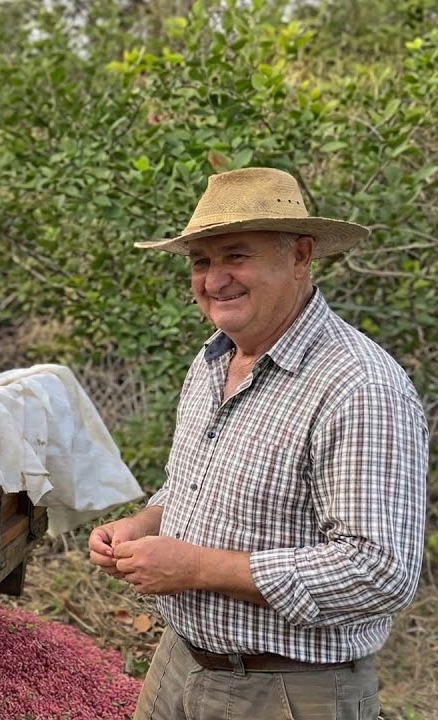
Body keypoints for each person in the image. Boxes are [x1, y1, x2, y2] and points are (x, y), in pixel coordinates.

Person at [88, 167, 427, 719]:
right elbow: (190, 487)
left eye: (237, 256)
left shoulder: (359, 386)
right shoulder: (213, 359)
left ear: (300, 257)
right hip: (179, 662)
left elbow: (379, 572)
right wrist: (144, 524)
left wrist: (195, 568)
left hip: (287, 691)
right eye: (202, 261)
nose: (215, 280)